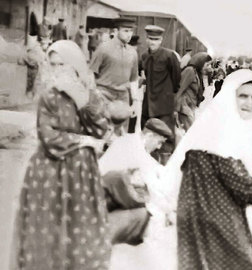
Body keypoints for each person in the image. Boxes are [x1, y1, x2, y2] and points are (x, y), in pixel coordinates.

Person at [160, 69, 252, 269]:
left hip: (235, 209)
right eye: (242, 96)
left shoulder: (249, 131)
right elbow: (233, 178)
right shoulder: (218, 132)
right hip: (211, 215)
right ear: (229, 97)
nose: (249, 103)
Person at [11, 40, 111, 270]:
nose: (56, 71)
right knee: (49, 232)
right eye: (52, 65)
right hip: (50, 172)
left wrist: (83, 102)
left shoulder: (89, 94)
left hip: (82, 174)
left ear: (75, 65)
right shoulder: (49, 97)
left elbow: (102, 129)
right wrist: (83, 140)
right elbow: (48, 136)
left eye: (62, 65)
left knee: (80, 233)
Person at [99, 118, 174, 246]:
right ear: (149, 136)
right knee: (152, 215)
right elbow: (155, 189)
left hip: (103, 192)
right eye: (159, 142)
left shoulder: (130, 140)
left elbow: (152, 164)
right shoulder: (136, 150)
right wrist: (171, 210)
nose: (159, 147)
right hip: (103, 200)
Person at [89, 17, 140, 133]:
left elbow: (133, 79)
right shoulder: (103, 48)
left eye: (131, 31)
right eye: (125, 31)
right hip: (105, 95)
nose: (129, 34)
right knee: (102, 132)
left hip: (123, 98)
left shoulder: (132, 52)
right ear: (116, 31)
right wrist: (94, 96)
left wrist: (135, 101)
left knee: (121, 134)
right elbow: (91, 73)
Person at [140, 25, 181, 164]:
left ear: (161, 40)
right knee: (148, 135)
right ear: (146, 39)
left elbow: (176, 80)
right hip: (148, 104)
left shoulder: (169, 56)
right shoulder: (144, 56)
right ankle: (149, 164)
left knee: (167, 137)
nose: (153, 42)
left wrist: (169, 97)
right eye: (150, 39)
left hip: (164, 104)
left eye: (156, 39)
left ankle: (166, 165)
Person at [175, 52, 212, 131]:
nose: (209, 67)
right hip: (184, 107)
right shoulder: (190, 71)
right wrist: (174, 109)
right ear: (200, 63)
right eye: (207, 64)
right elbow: (179, 89)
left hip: (190, 106)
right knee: (190, 132)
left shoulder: (197, 73)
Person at [17, 25, 52, 99]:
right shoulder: (34, 45)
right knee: (32, 81)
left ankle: (29, 94)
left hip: (32, 65)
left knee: (31, 81)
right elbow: (39, 58)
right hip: (33, 66)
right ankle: (29, 94)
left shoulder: (31, 43)